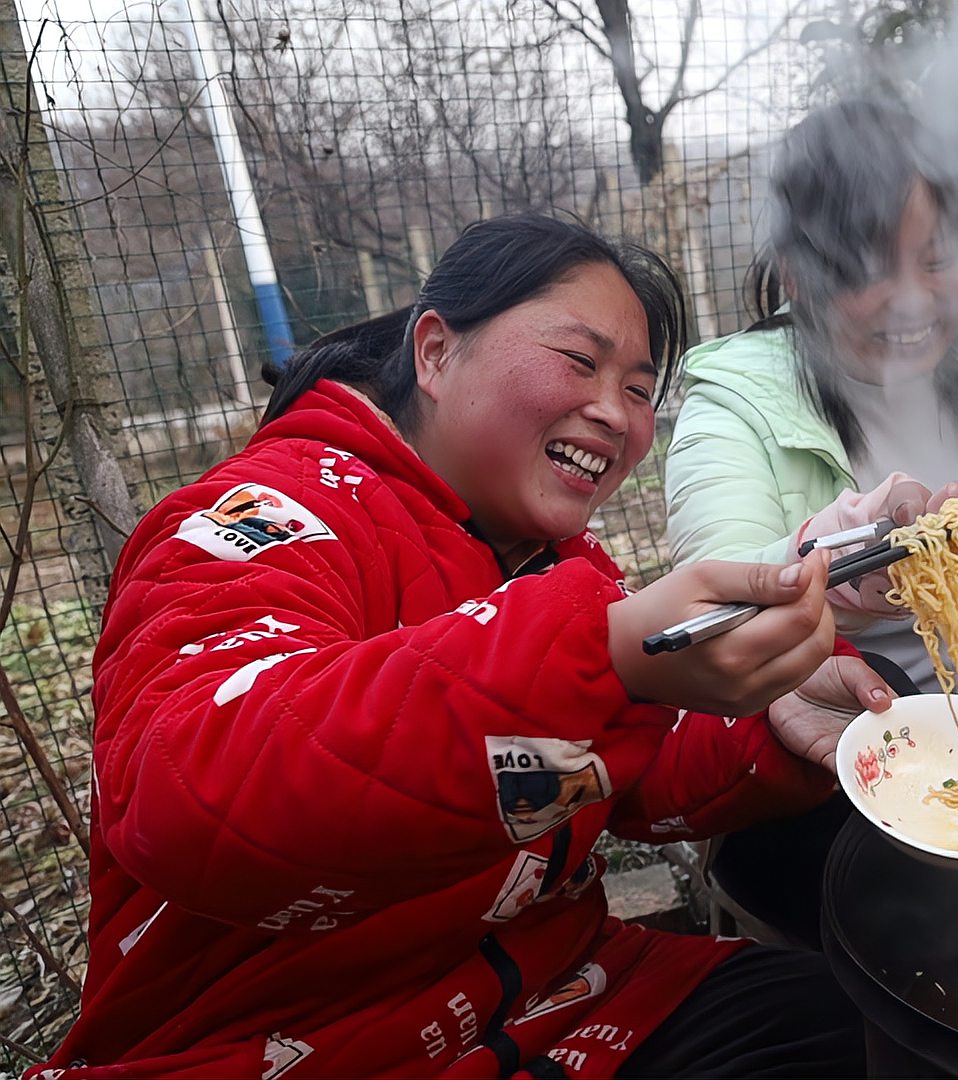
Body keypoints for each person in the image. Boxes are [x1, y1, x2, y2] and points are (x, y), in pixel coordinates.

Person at [34, 216, 888, 1079]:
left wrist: (771, 719)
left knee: (866, 1031)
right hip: (295, 1046)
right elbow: (191, 789)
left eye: (638, 389)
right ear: (436, 353)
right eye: (580, 361)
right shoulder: (255, 521)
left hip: (576, 996)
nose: (616, 414)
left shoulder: (554, 562)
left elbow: (597, 777)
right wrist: (601, 657)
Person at [664, 96, 958, 694]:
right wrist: (845, 555)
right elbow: (709, 613)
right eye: (868, 270)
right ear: (797, 277)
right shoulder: (733, 404)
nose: (912, 298)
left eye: (936, 260)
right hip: (859, 748)